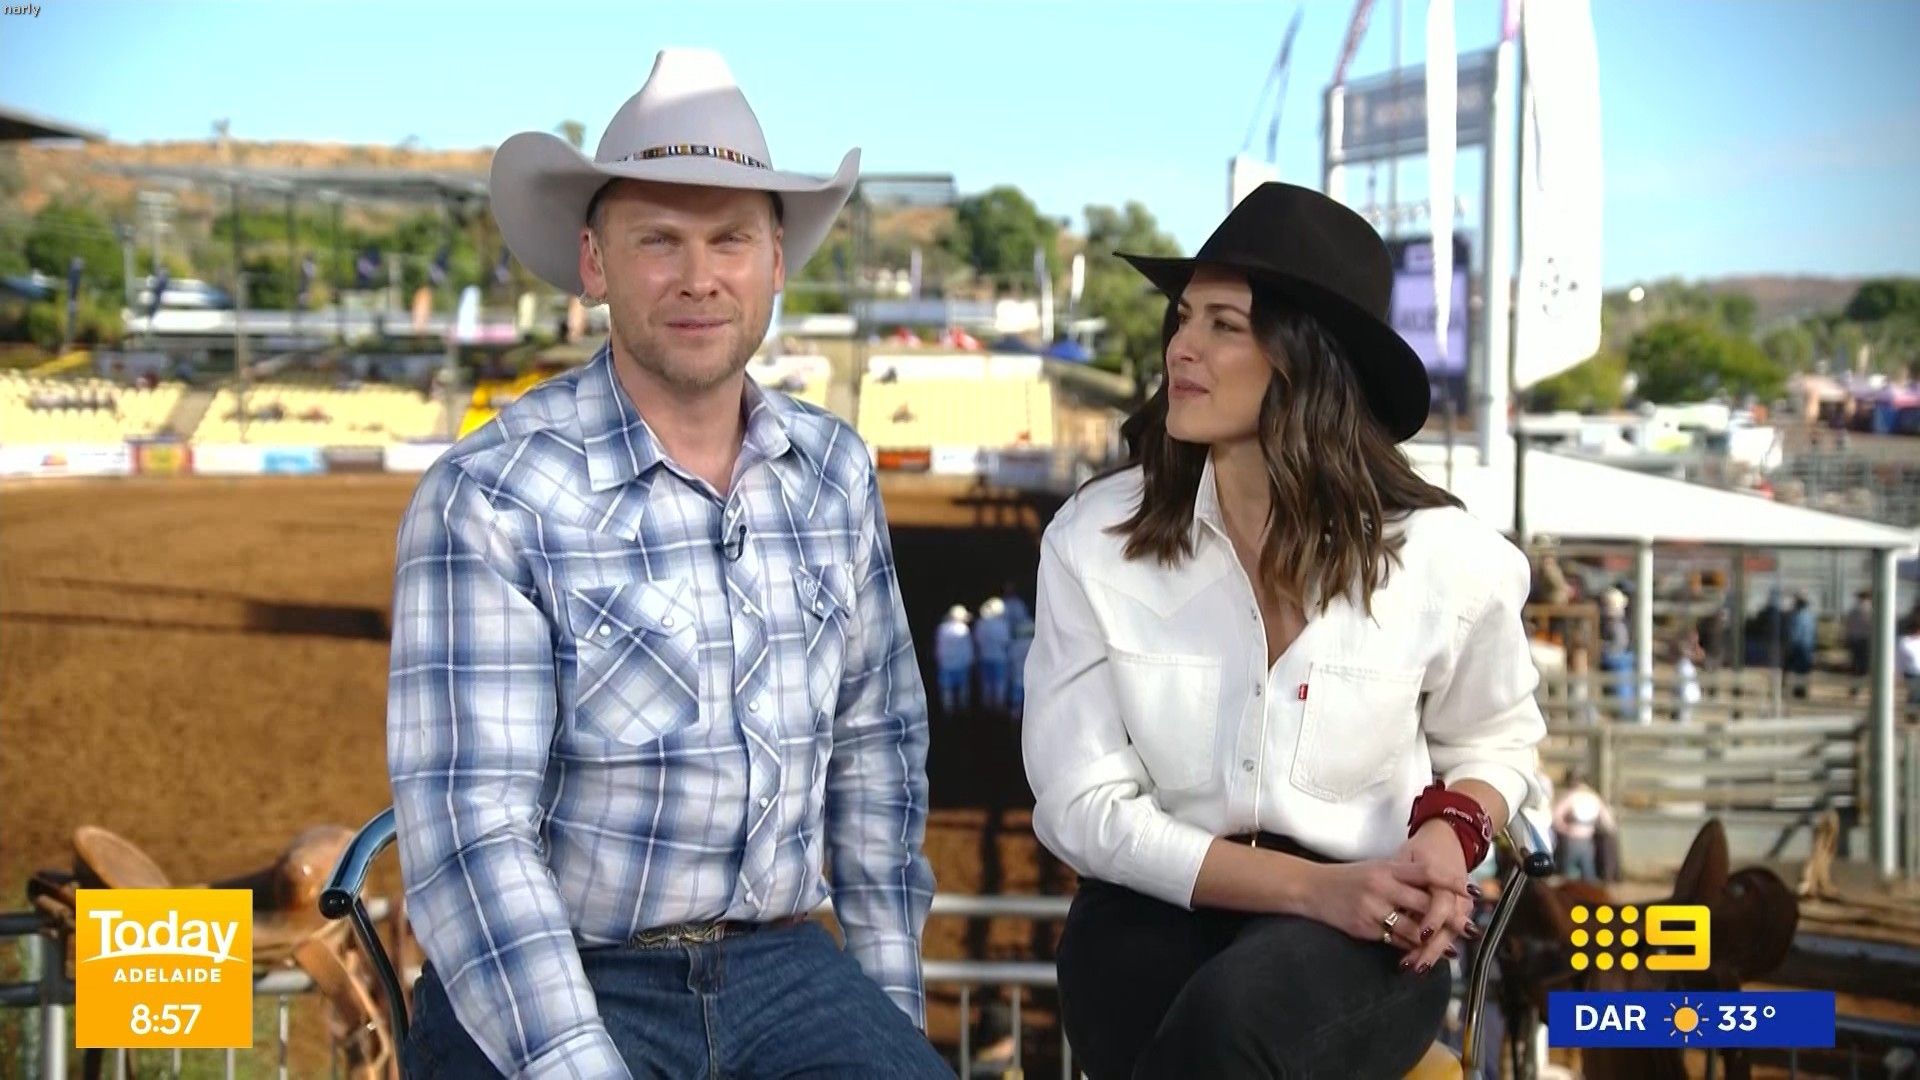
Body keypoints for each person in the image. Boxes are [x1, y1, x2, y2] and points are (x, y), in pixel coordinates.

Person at [385, 49, 946, 1078]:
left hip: (784, 970)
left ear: (776, 262)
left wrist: (889, 1015)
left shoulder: (834, 473)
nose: (699, 276)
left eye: (731, 238)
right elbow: (472, 831)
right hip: (559, 971)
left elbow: (877, 755)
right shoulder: (492, 494)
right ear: (595, 263)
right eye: (659, 240)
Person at [1020, 183, 1547, 1080]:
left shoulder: (1448, 559)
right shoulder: (1094, 540)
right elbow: (1081, 806)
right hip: (1159, 896)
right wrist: (1317, 890)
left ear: (1309, 361)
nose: (1180, 347)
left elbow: (1496, 739)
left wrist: (1447, 838)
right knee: (1129, 989)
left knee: (1234, 1019)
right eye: (1184, 317)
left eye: (1224, 324)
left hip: (1370, 930)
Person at [1551, 769, 1616, 881]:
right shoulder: (1594, 798)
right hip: (1587, 840)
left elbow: (1555, 816)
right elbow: (1608, 822)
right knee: (1588, 873)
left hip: (1571, 839)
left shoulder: (1571, 797)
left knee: (1567, 873)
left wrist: (1563, 828)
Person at [973, 596, 1014, 712]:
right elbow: (1006, 641)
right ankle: (999, 709)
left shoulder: (980, 623)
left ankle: (987, 710)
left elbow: (977, 640)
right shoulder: (1003, 624)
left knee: (986, 684)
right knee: (1000, 684)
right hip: (1000, 658)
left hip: (984, 656)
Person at [935, 603, 977, 714]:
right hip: (961, 664)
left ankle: (948, 715)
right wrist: (971, 661)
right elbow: (968, 648)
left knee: (946, 691)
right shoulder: (964, 629)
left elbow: (939, 647)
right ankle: (963, 714)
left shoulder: (942, 628)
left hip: (946, 664)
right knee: (963, 691)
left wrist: (939, 661)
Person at [1786, 591, 1817, 699]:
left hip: (1798, 645)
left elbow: (1793, 633)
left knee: (1798, 670)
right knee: (1804, 670)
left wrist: (1790, 645)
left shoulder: (1795, 616)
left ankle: (1799, 690)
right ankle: (1802, 690)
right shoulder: (1810, 616)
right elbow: (1813, 632)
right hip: (1807, 645)